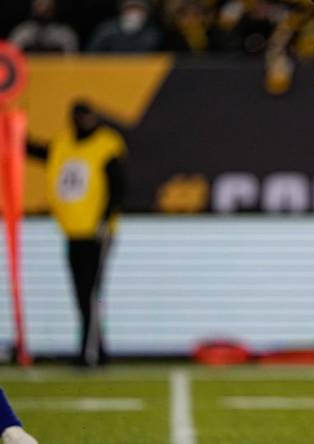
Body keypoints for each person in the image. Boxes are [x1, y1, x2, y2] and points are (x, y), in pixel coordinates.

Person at [27, 102, 126, 368]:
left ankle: (89, 352)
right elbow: (37, 150)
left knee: (91, 292)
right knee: (82, 293)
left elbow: (117, 186)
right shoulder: (64, 144)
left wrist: (104, 221)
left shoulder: (106, 145)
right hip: (72, 231)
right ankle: (95, 349)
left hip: (96, 233)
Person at [86, 0, 162, 52]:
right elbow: (93, 55)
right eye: (131, 8)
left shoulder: (152, 34)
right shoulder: (107, 30)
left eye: (139, 9)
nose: (134, 13)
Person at [8, 0, 79, 53]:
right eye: (39, 4)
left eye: (46, 4)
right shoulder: (22, 32)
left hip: (58, 71)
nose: (42, 8)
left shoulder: (65, 34)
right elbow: (12, 59)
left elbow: (71, 62)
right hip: (28, 71)